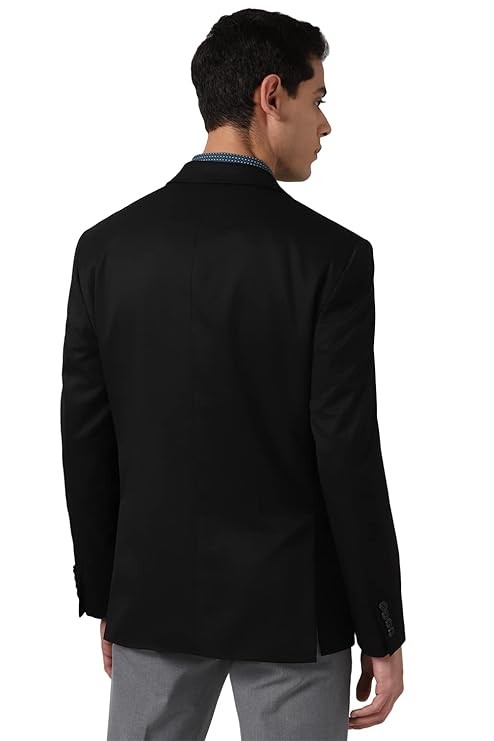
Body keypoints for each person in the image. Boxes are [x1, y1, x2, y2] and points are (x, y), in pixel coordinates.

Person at [60, 8, 405, 740]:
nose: (325, 125)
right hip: (294, 611)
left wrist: (108, 595)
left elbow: (86, 433)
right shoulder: (332, 257)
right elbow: (346, 449)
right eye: (318, 99)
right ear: (270, 95)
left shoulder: (106, 248)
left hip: (153, 597)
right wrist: (381, 623)